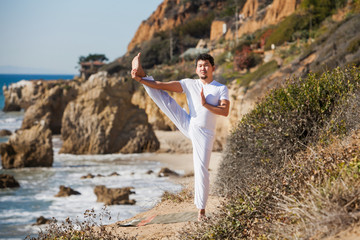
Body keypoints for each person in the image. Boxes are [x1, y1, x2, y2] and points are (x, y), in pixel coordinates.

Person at [131, 52, 230, 221]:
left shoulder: (220, 88)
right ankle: (142, 74)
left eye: (206, 65)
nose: (203, 68)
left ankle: (201, 211)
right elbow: (162, 85)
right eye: (200, 65)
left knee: (201, 169)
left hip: (204, 134)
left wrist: (206, 104)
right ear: (196, 69)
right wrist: (141, 80)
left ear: (213, 68)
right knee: (166, 101)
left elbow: (225, 111)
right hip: (190, 123)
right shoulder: (189, 84)